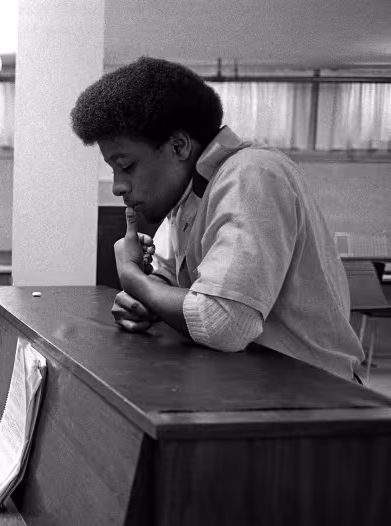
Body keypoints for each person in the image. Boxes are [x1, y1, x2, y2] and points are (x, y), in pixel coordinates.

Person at [70, 57, 365, 380]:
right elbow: (168, 276)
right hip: (250, 382)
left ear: (179, 146)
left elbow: (223, 323)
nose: (118, 186)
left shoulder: (251, 175)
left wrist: (133, 278)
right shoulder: (189, 193)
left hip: (316, 393)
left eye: (126, 166)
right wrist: (145, 298)